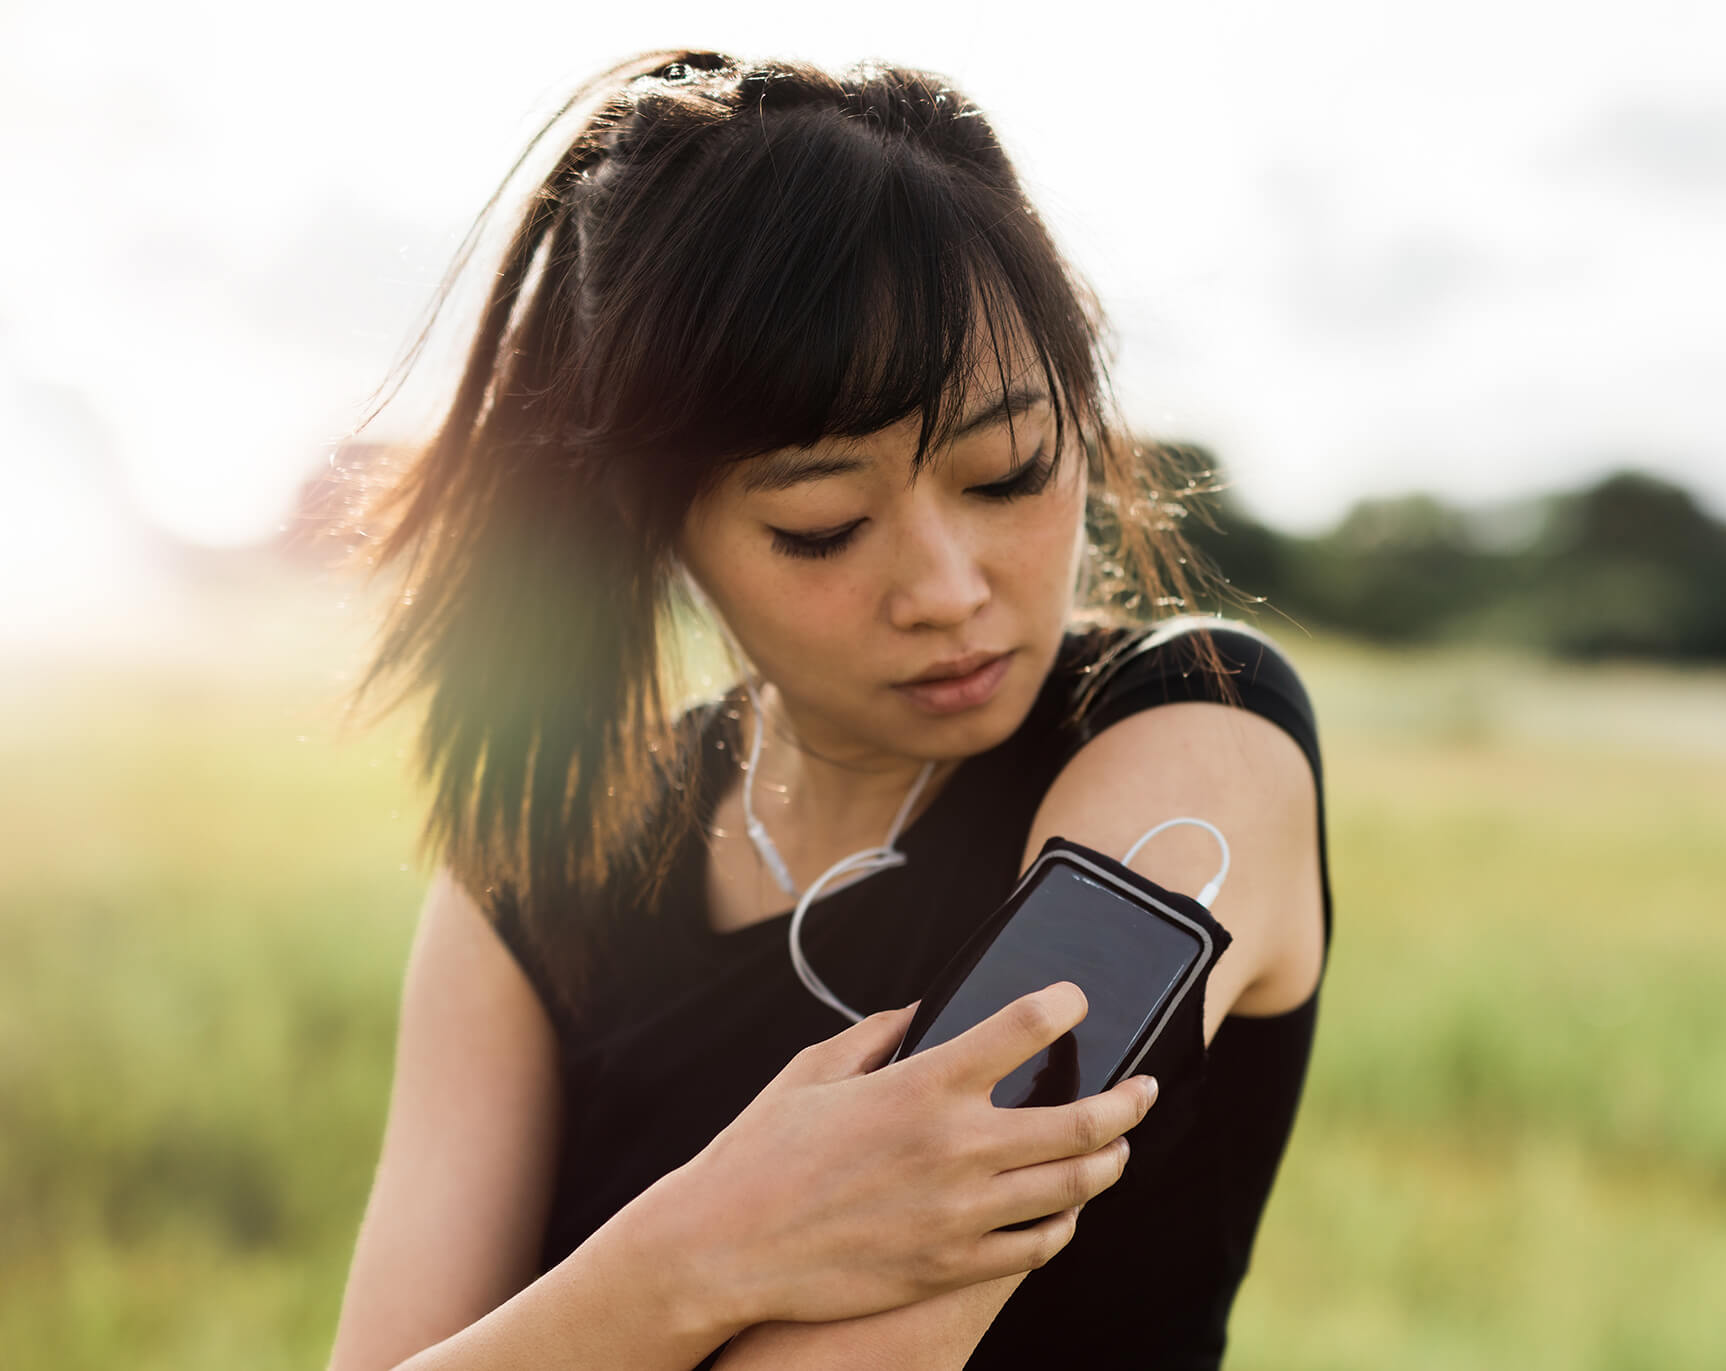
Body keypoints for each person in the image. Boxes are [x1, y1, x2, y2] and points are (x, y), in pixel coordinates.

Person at [324, 48, 1330, 1371]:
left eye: (1010, 472)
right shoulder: (534, 866)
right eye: (824, 526)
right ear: (657, 527)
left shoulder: (1195, 742)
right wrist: (702, 1245)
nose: (947, 589)